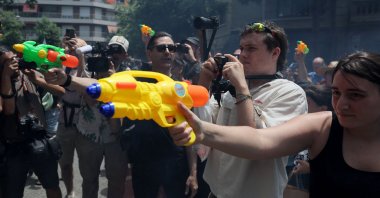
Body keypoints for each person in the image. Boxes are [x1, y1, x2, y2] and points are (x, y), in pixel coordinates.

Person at [170, 51, 380, 197]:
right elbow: (260, 140)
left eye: (355, 95)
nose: (341, 104)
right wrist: (202, 130)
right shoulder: (323, 127)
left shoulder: (288, 91)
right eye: (336, 93)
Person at [195, 21, 308, 197]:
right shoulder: (230, 91)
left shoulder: (290, 93)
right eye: (241, 48)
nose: (242, 54)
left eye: (251, 48)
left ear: (275, 52)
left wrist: (241, 87)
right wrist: (204, 83)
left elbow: (255, 142)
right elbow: (203, 127)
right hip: (215, 193)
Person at [121, 31, 198, 198]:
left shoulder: (182, 88)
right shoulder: (136, 87)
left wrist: (193, 173)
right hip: (144, 164)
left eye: (171, 48)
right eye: (161, 48)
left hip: (175, 165)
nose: (167, 52)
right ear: (149, 53)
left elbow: (190, 134)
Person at [0, 47, 63, 198]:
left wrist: (38, 80)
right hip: (13, 145)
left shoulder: (28, 74)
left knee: (52, 185)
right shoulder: (2, 80)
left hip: (40, 139)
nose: (13, 63)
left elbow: (61, 92)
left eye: (14, 58)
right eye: (8, 61)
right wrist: (6, 77)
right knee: (12, 192)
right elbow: (8, 110)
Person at [73, 36, 128, 198]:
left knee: (117, 182)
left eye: (119, 51)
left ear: (126, 55)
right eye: (112, 49)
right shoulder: (90, 71)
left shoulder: (128, 75)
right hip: (88, 134)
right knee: (89, 181)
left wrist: (113, 79)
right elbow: (89, 99)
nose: (114, 54)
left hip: (116, 137)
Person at [284, 85, 333, 198]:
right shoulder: (295, 129)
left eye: (307, 103)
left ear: (322, 110)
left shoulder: (333, 136)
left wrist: (311, 169)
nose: (301, 106)